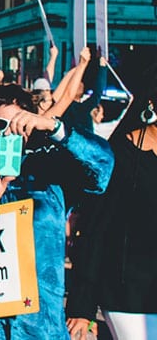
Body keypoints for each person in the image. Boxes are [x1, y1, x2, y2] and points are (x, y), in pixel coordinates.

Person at [0, 84, 113, 339]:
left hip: (38, 325)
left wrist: (55, 128)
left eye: (17, 124)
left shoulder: (51, 168)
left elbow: (103, 169)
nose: (7, 134)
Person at [65, 64, 157, 340]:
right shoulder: (123, 155)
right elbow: (97, 228)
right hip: (129, 295)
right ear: (152, 102)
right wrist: (82, 304)